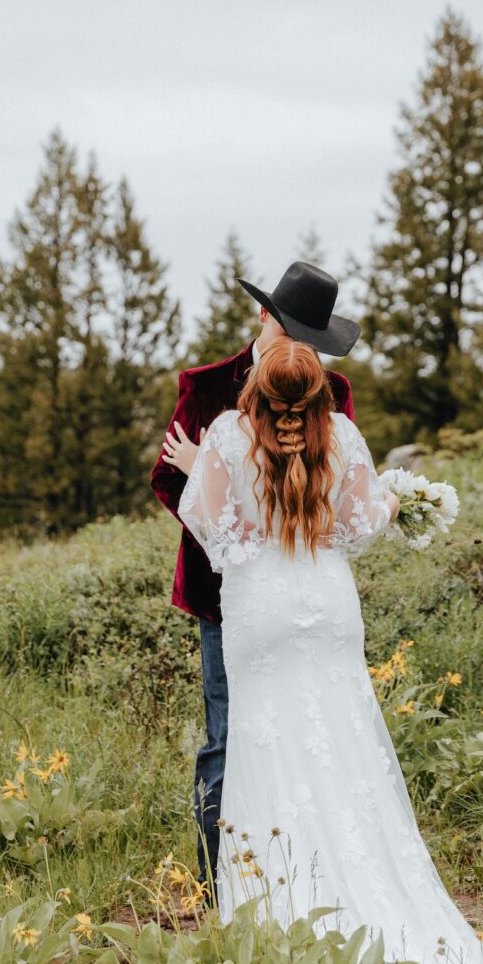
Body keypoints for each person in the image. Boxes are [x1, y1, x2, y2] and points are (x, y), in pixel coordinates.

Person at [174, 336, 483, 964]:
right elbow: (358, 527)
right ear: (317, 395)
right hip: (325, 604)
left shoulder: (223, 435)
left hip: (261, 612)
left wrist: (251, 528)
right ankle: (377, 905)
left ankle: (275, 932)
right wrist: (389, 503)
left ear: (254, 392)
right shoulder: (343, 436)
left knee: (266, 752)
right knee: (345, 746)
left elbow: (209, 526)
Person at [150, 261, 358, 892]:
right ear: (263, 317)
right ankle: (221, 883)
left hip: (305, 591)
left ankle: (308, 873)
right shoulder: (207, 385)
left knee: (311, 729)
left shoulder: (335, 393)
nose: (301, 347)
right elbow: (166, 479)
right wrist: (206, 480)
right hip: (224, 594)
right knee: (227, 735)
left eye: (311, 339)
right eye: (290, 329)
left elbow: (334, 486)